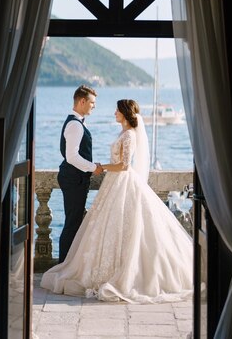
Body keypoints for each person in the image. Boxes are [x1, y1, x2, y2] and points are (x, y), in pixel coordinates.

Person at [41, 99, 193, 304]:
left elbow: (123, 165)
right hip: (113, 184)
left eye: (117, 110)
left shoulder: (129, 135)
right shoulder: (124, 133)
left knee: (125, 226)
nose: (114, 113)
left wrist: (101, 167)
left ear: (124, 112)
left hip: (122, 182)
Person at [57, 84, 103, 263]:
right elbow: (72, 157)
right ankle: (62, 266)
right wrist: (94, 168)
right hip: (73, 180)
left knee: (74, 222)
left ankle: (67, 264)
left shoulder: (75, 122)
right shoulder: (75, 125)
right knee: (72, 224)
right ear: (82, 101)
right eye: (92, 102)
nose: (94, 106)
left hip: (74, 178)